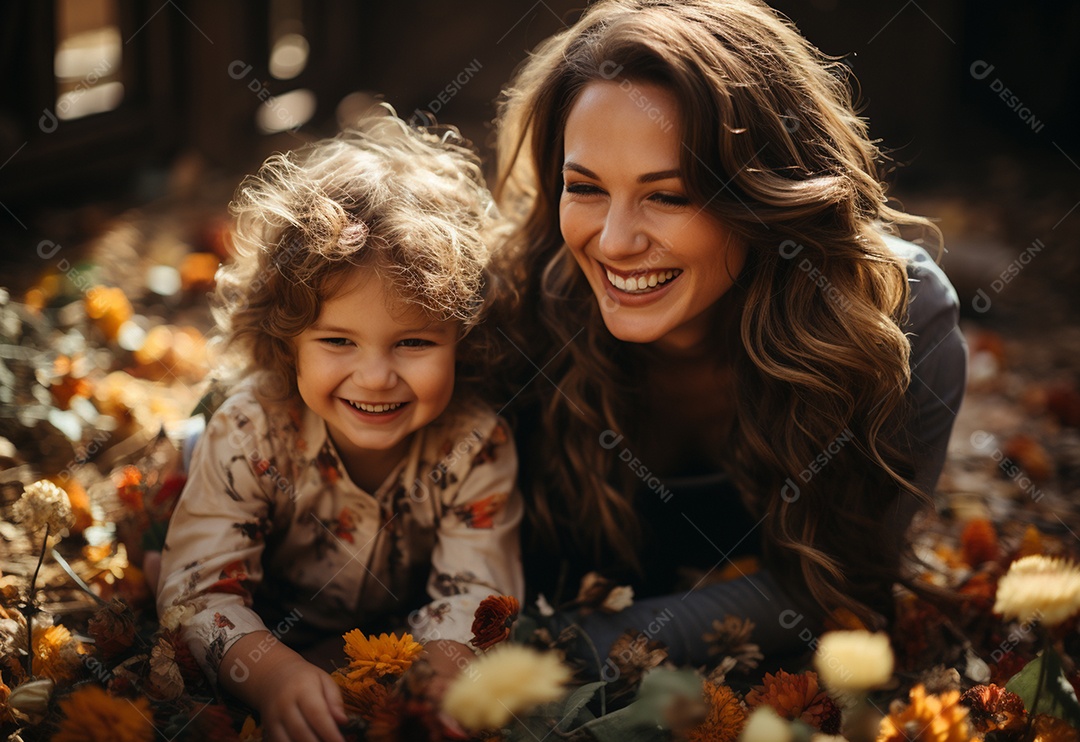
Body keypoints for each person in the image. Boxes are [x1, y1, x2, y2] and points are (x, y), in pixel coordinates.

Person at [489, 0, 967, 668]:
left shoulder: (901, 327)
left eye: (670, 195)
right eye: (585, 187)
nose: (615, 241)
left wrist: (558, 655)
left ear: (765, 194)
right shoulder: (515, 313)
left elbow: (840, 587)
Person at [157, 113, 523, 741]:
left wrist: (437, 680)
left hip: (383, 636)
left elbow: (478, 597)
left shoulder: (474, 443)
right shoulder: (253, 431)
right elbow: (197, 595)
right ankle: (175, 480)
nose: (376, 377)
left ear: (460, 339)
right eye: (337, 340)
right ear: (288, 338)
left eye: (412, 341)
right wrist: (272, 675)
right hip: (273, 598)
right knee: (170, 506)